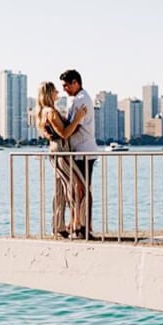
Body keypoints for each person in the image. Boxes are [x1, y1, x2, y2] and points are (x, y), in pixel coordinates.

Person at [35, 81, 87, 238]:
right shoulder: (50, 112)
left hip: (57, 150)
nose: (58, 92)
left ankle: (58, 226)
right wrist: (78, 118)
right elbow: (64, 133)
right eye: (55, 90)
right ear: (49, 93)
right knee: (77, 185)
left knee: (60, 190)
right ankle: (77, 224)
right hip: (61, 151)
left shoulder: (43, 112)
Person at [60, 68, 99, 239]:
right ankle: (81, 224)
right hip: (81, 151)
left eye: (66, 85)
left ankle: (83, 226)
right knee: (79, 189)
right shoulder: (77, 99)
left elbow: (71, 127)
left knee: (81, 189)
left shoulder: (80, 100)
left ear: (76, 83)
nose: (64, 89)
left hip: (84, 151)